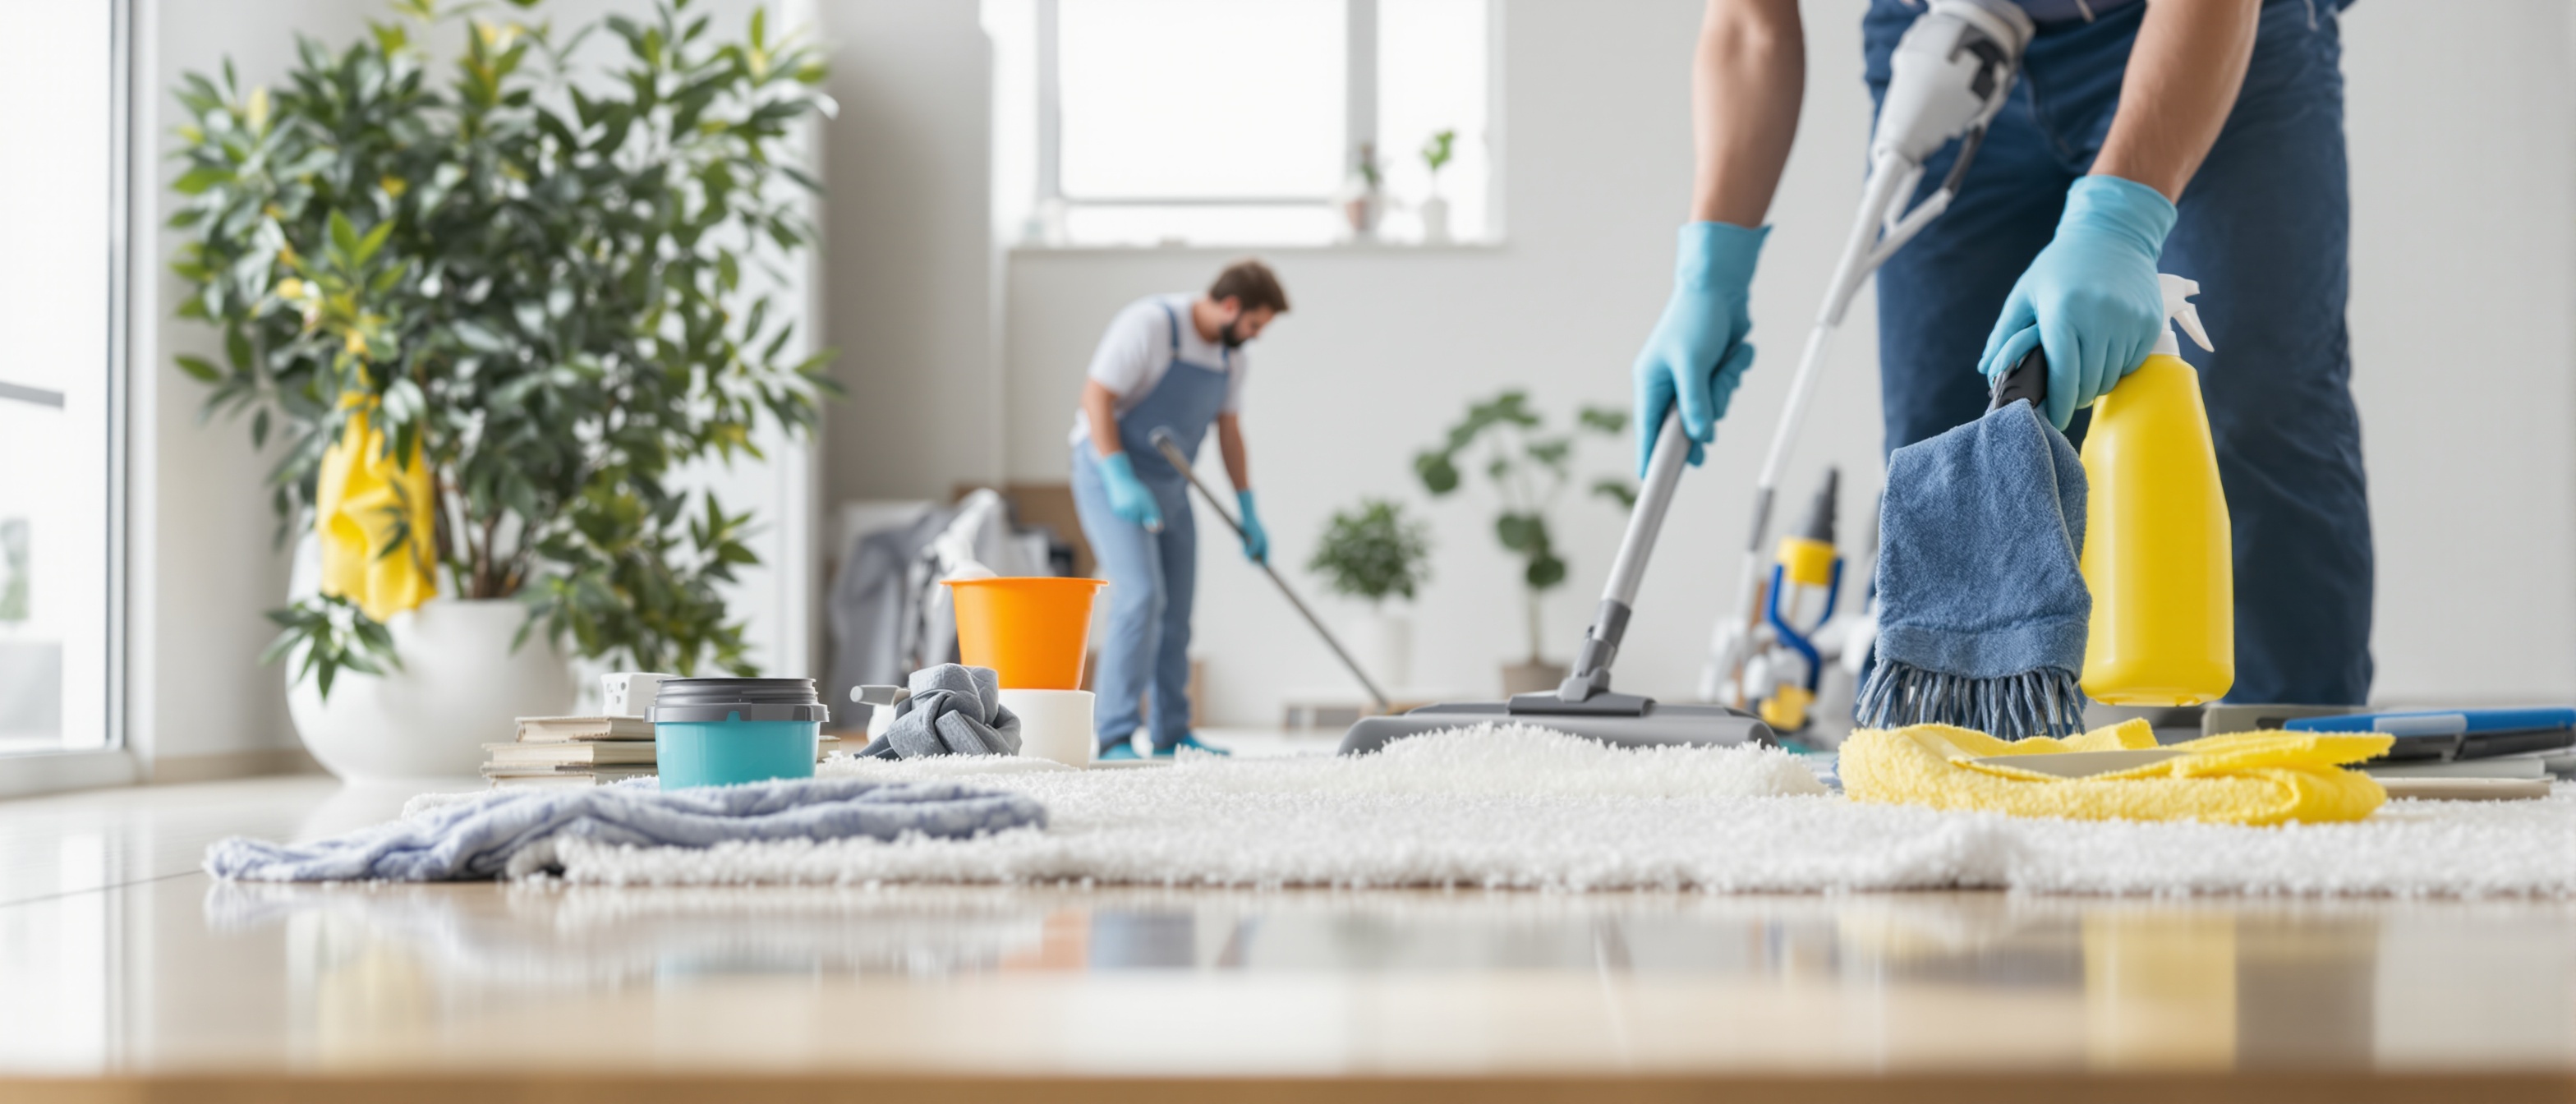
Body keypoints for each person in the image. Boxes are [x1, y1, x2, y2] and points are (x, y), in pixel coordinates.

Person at [1634, 0, 2371, 706]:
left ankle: (2286, 747)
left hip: (2202, 25)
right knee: (1949, 441)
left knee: (2252, 402)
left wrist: (2120, 217)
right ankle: (1951, 759)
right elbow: (1747, 26)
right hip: (1952, 34)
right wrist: (1712, 271)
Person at [1068, 260, 1287, 759]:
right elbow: (1096, 396)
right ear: (1231, 307)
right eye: (1254, 325)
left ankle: (1171, 732)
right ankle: (1116, 734)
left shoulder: (1233, 360)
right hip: (1109, 472)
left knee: (1178, 611)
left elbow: (1229, 431)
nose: (1254, 338)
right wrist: (1120, 476)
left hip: (1171, 480)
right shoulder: (1150, 324)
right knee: (1141, 597)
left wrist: (1248, 508)